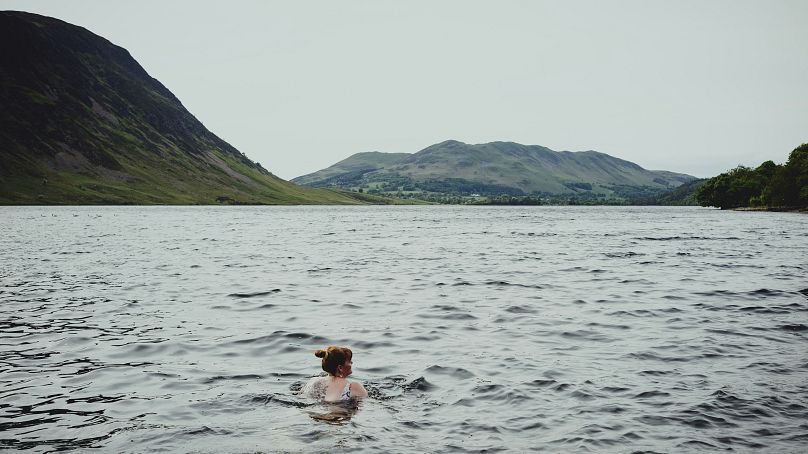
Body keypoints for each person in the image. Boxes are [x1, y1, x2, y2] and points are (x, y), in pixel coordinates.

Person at [301, 346, 368, 402]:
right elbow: (364, 402)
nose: (352, 362)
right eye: (349, 361)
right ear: (340, 368)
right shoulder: (353, 386)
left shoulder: (313, 381)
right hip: (340, 413)